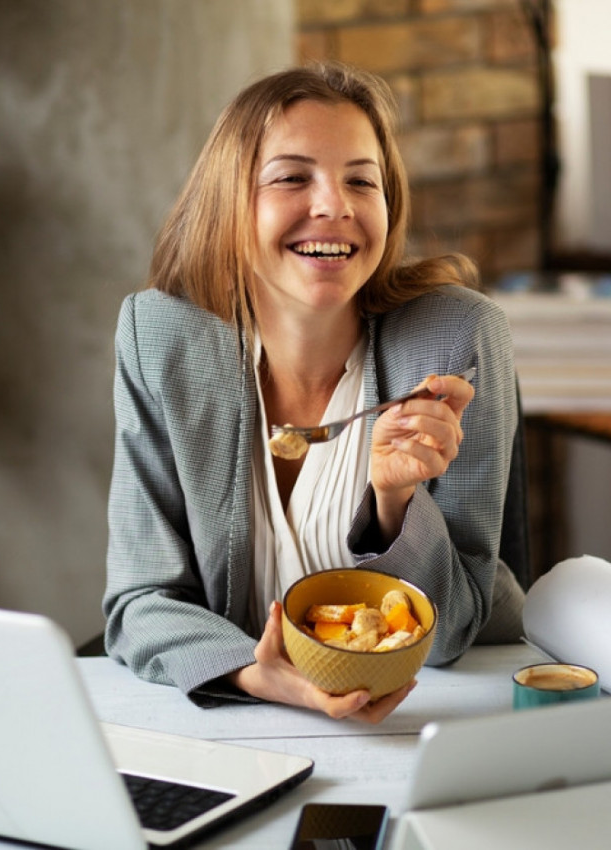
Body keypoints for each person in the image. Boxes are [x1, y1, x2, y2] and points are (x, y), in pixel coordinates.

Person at [103, 62, 523, 723]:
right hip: (242, 718)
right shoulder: (159, 338)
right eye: (292, 178)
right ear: (230, 202)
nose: (335, 205)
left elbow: (448, 635)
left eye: (361, 179)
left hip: (447, 710)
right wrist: (259, 675)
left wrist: (392, 504)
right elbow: (139, 603)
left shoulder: (454, 340)